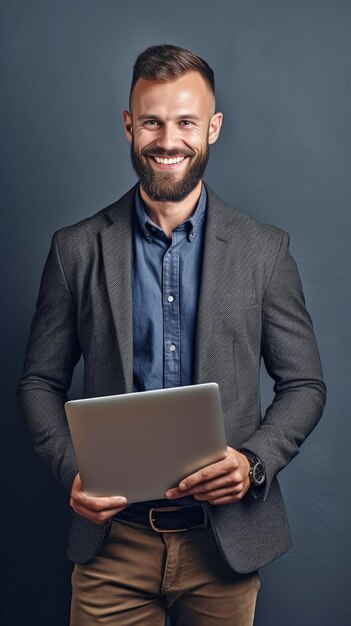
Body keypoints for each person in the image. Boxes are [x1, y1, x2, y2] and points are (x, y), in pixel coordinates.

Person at [18, 44, 326, 626]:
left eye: (186, 122)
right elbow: (38, 382)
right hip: (111, 547)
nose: (168, 139)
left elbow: (305, 384)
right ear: (129, 125)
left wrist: (254, 462)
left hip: (225, 548)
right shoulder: (76, 249)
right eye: (153, 121)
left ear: (211, 128)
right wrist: (70, 469)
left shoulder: (266, 251)